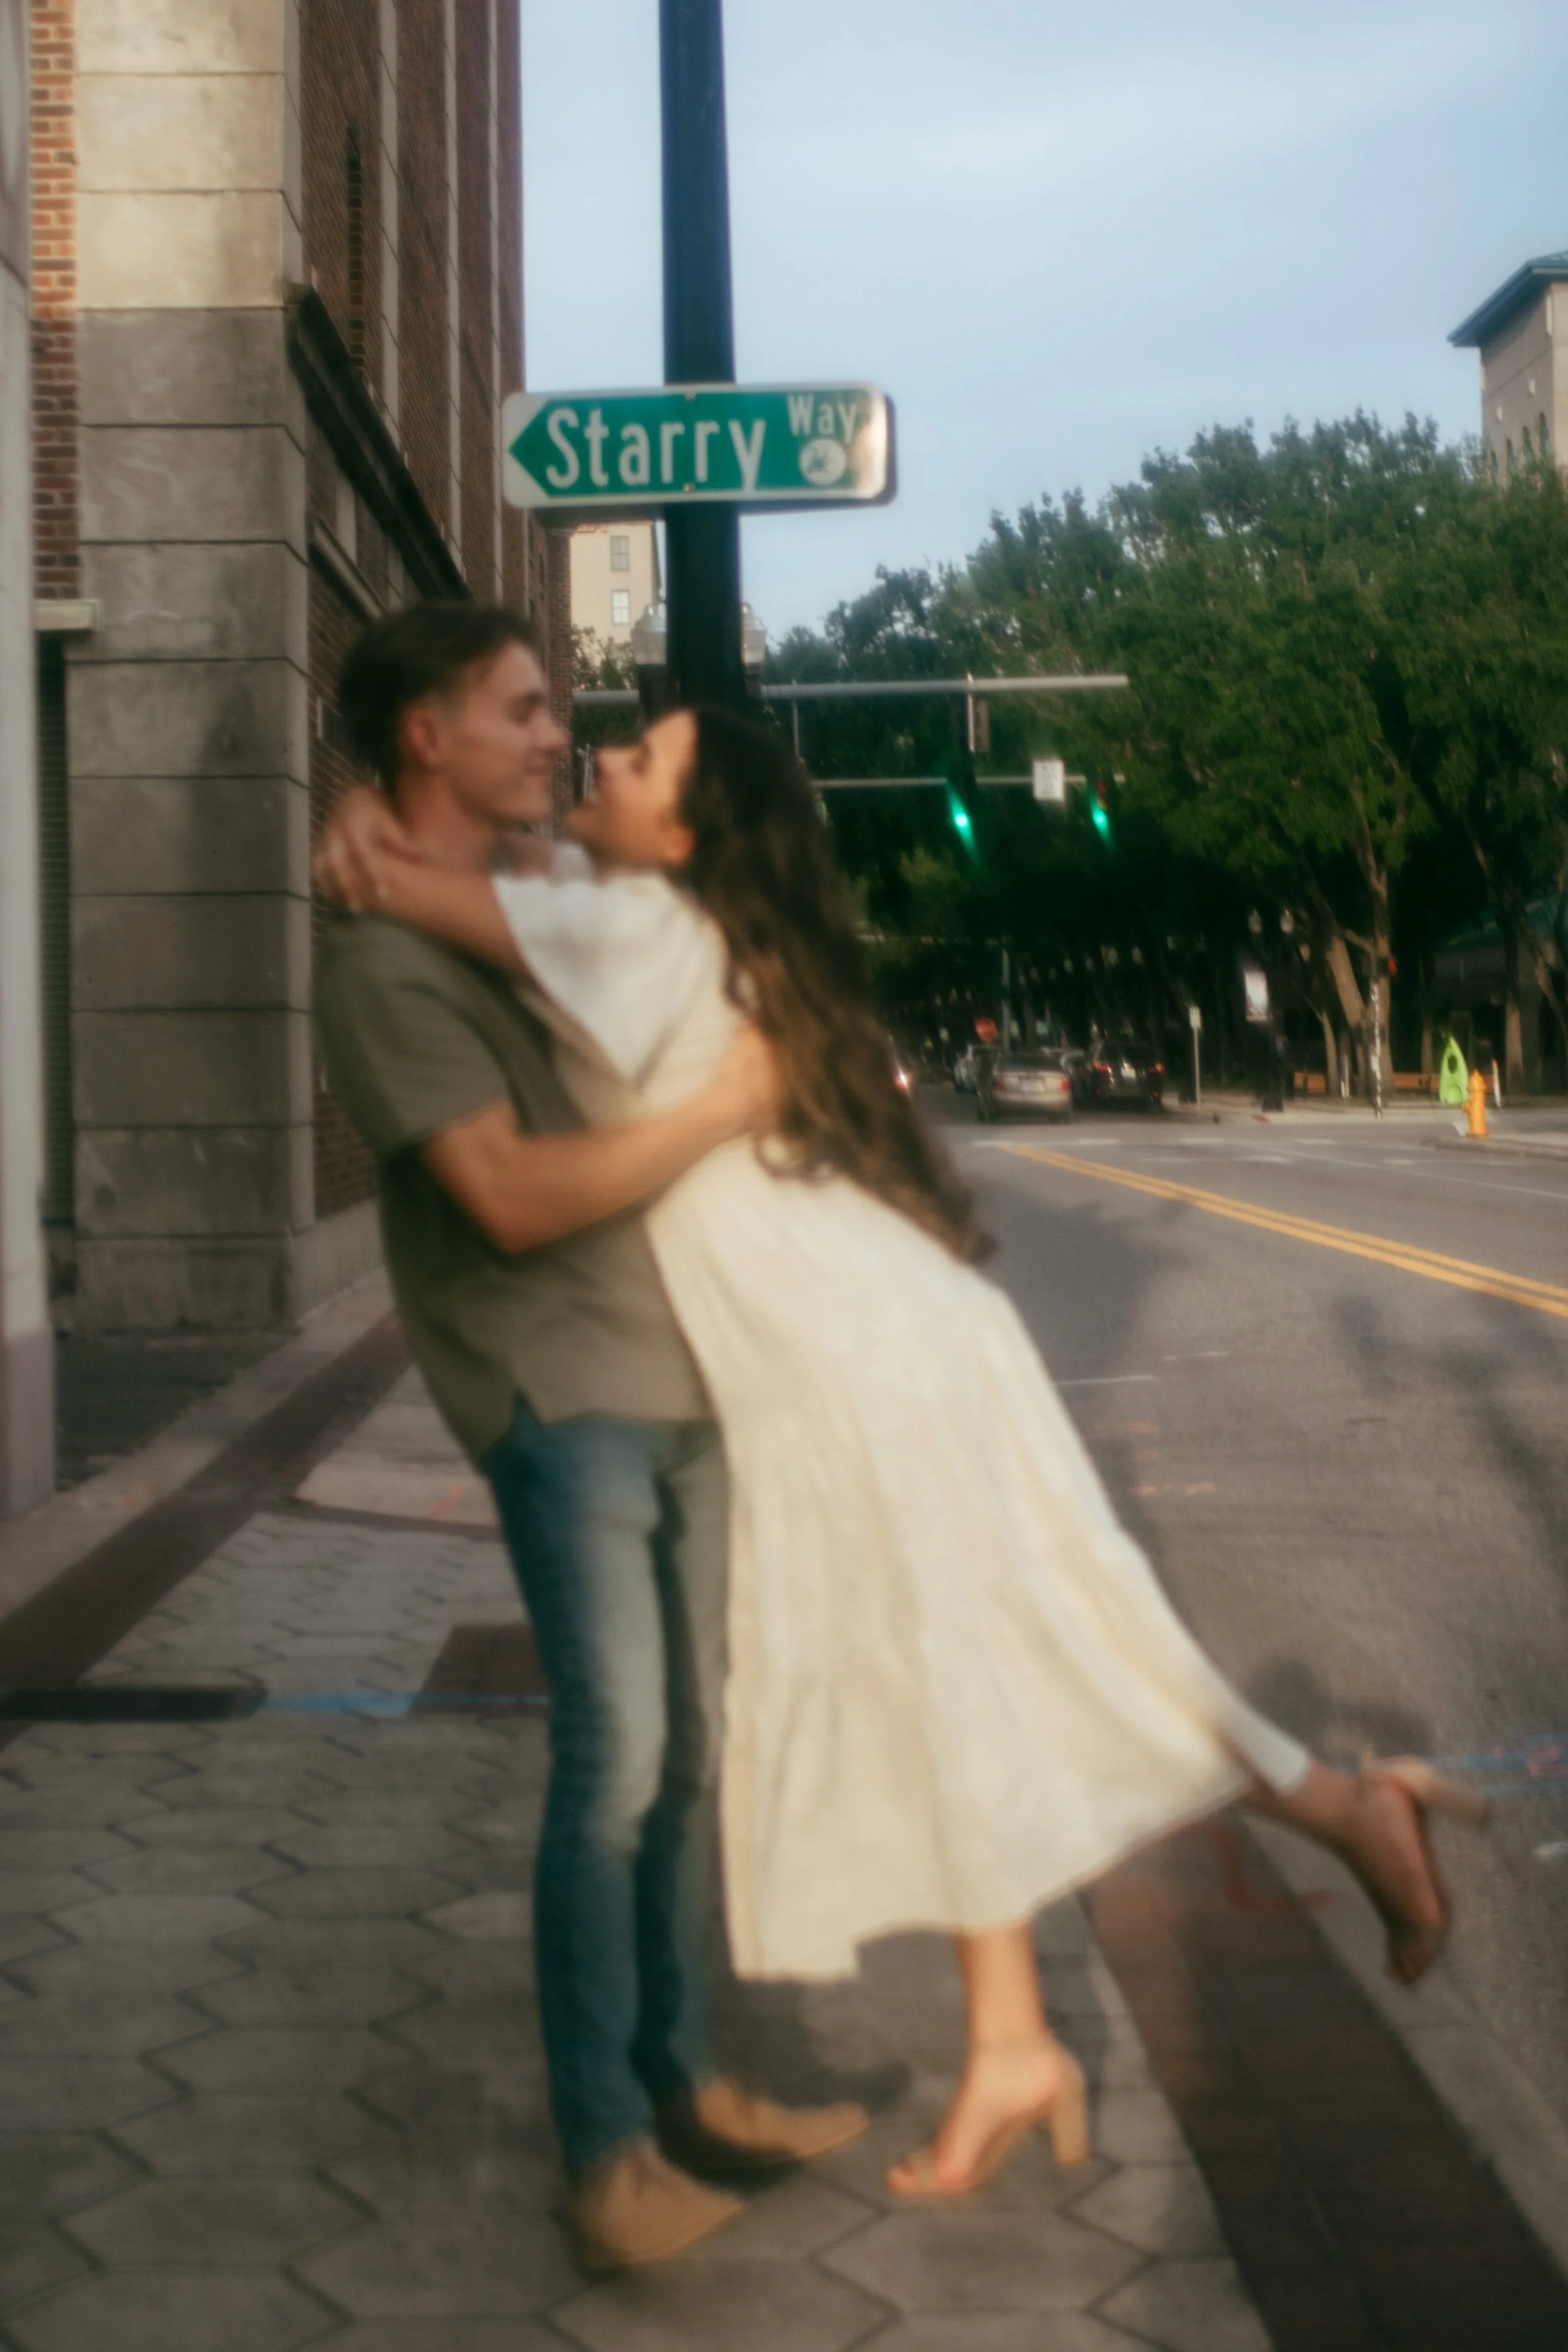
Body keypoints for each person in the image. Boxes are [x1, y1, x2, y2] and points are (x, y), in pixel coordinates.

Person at [317, 662, 1486, 2208]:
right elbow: (456, 870)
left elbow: (410, 882)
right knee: (963, 1665)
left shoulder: (637, 926)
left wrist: (356, 828)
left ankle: (1343, 1810)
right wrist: (375, 815)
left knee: (1041, 1651)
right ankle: (1019, 2031)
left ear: (689, 833)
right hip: (860, 1344)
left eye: (636, 758)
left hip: (859, 1358)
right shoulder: (668, 920)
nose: (594, 759)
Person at [313, 605, 870, 2274]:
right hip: (561, 1393)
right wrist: (721, 1107)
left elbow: (673, 897)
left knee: (692, 1750)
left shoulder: (536, 882)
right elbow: (501, 1191)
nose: (557, 732)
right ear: (427, 732)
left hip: (678, 1367)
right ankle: (604, 2150)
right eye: (522, 707)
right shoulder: (379, 958)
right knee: (614, 1756)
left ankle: (683, 2083)